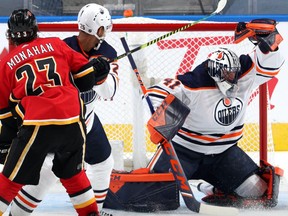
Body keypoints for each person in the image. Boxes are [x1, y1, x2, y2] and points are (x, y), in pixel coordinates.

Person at [145, 18, 284, 208]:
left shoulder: (243, 74)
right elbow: (156, 92)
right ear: (215, 73)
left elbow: (270, 66)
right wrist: (159, 114)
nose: (233, 78)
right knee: (155, 200)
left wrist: (268, 42)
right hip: (184, 153)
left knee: (258, 194)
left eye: (234, 73)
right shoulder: (193, 83)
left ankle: (209, 187)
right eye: (228, 75)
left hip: (224, 153)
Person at [7, 3, 118, 216]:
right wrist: (87, 74)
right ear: (99, 29)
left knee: (104, 162)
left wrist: (102, 75)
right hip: (61, 122)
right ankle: (16, 214)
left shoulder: (107, 53)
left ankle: (96, 211)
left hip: (87, 121)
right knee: (48, 172)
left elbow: (109, 92)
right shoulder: (62, 47)